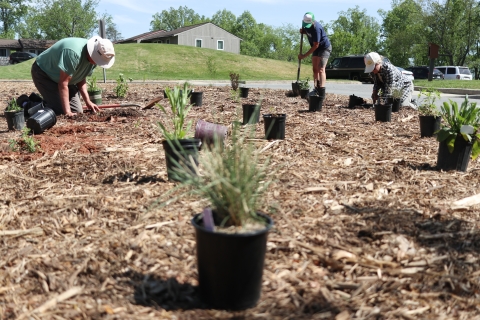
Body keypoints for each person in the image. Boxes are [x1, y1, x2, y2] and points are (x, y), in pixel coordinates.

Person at [31, 36, 115, 117]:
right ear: (92, 51)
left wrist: (88, 101)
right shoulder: (73, 53)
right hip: (44, 73)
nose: (98, 62)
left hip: (66, 80)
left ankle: (51, 100)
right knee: (60, 111)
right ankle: (28, 103)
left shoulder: (94, 60)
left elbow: (81, 77)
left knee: (77, 112)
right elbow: (63, 83)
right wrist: (67, 112)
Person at [298, 12, 332, 107]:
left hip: (324, 48)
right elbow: (309, 33)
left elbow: (316, 44)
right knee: (315, 69)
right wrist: (304, 32)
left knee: (321, 69)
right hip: (316, 48)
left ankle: (321, 91)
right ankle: (316, 88)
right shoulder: (305, 24)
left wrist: (304, 55)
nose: (306, 26)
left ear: (313, 21)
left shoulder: (317, 28)